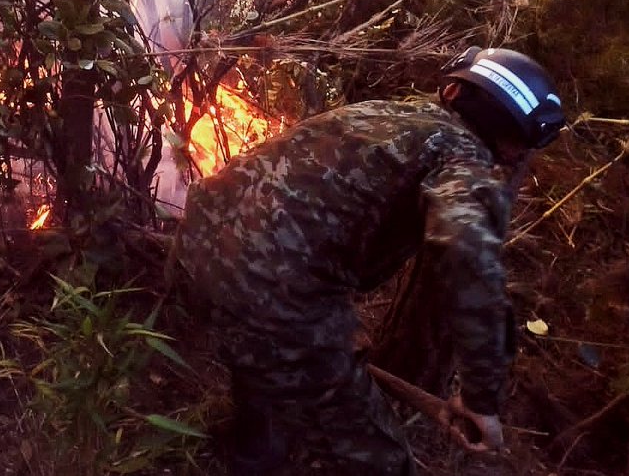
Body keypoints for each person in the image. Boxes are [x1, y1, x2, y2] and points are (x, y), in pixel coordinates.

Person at [170, 47, 567, 475]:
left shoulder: (383, 115)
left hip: (197, 249)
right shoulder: (464, 161)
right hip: (271, 298)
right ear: (514, 141)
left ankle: (255, 456)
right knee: (382, 460)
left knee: (268, 367)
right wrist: (481, 398)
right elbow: (469, 257)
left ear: (453, 90)